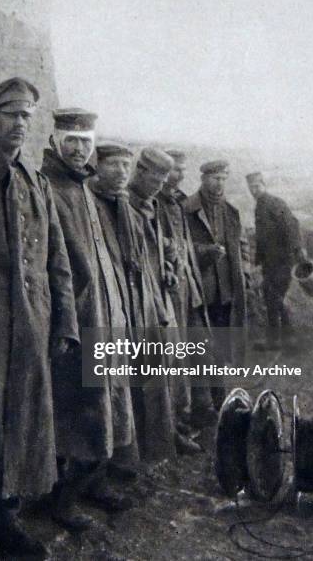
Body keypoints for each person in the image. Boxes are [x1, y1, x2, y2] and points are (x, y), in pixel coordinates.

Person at [0, 79, 79, 558]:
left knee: (26, 419)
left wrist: (63, 323)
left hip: (33, 324)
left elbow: (57, 260)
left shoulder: (35, 180)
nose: (18, 124)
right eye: (9, 114)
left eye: (26, 115)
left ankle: (10, 513)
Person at [42, 109, 135, 533]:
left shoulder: (83, 188)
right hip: (77, 319)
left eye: (85, 141)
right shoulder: (49, 188)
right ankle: (63, 500)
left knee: (109, 404)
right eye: (71, 141)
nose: (79, 149)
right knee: (79, 411)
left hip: (105, 312)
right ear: (55, 140)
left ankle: (93, 482)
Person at [90, 143, 178, 461]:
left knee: (151, 374)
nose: (121, 173)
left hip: (145, 300)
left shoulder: (135, 206)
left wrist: (166, 266)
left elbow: (146, 255)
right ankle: (128, 456)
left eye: (125, 166)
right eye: (114, 165)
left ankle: (153, 445)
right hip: (118, 305)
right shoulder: (104, 204)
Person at [129, 148, 215, 434]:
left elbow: (181, 248)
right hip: (166, 294)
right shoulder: (155, 203)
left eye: (180, 170)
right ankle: (176, 423)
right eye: (172, 171)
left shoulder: (176, 203)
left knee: (194, 352)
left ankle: (196, 414)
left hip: (187, 289)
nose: (177, 176)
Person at [184, 160, 249, 382]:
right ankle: (203, 396)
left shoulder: (230, 211)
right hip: (199, 289)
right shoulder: (187, 209)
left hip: (226, 289)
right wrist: (203, 252)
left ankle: (218, 390)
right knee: (199, 345)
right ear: (203, 179)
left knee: (222, 343)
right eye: (215, 178)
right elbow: (180, 245)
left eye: (223, 179)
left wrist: (246, 274)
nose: (219, 183)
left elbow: (242, 245)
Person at [246, 171, 304, 350]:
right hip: (269, 263)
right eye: (251, 188)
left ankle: (288, 339)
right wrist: (259, 260)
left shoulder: (274, 203)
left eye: (257, 186)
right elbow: (263, 237)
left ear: (264, 184)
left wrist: (297, 251)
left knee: (274, 297)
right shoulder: (259, 206)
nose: (254, 190)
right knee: (271, 298)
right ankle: (278, 341)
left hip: (282, 261)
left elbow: (292, 226)